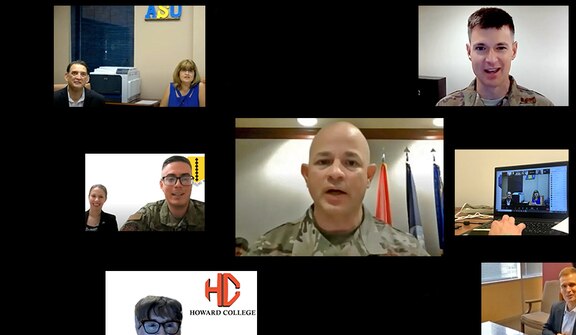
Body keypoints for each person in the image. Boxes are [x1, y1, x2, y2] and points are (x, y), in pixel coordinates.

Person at [248, 122, 430, 256]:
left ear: (368, 176)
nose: (335, 173)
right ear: (306, 174)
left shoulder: (409, 251)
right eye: (323, 162)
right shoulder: (264, 249)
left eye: (351, 162)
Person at [436, 7, 554, 106]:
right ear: (469, 52)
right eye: (481, 48)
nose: (491, 60)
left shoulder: (542, 104)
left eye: (501, 48)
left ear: (513, 51)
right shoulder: (445, 105)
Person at [120, 156, 205, 231]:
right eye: (171, 179)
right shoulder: (148, 215)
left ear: (191, 184)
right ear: (161, 185)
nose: (178, 185)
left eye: (185, 179)